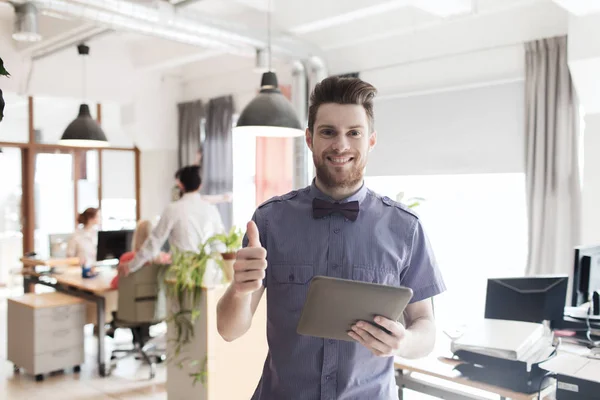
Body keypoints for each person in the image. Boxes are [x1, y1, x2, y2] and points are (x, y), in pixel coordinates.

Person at [216, 76, 447, 399]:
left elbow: (426, 327)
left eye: (354, 133)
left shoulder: (405, 228)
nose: (341, 145)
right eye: (328, 132)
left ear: (371, 141)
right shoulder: (269, 221)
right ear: (309, 139)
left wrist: (404, 342)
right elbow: (229, 330)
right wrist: (240, 289)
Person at [118, 165, 225, 277]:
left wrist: (131, 266)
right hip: (207, 272)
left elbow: (154, 242)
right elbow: (219, 243)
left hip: (181, 274)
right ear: (200, 185)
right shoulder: (211, 209)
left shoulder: (173, 209)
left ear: (180, 185)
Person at [110, 220, 170, 289]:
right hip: (156, 298)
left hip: (131, 299)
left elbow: (116, 284)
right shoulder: (164, 259)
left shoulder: (127, 258)